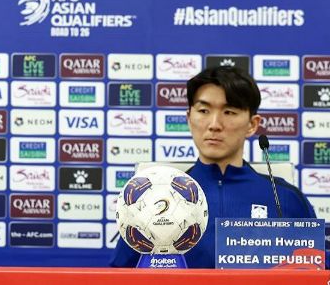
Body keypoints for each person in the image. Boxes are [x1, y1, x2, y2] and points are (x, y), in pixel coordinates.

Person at [110, 66, 316, 268]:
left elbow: (316, 273)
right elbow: (119, 275)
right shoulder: (152, 198)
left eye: (229, 112)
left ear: (252, 124)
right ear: (189, 118)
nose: (214, 124)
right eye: (203, 111)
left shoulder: (286, 197)